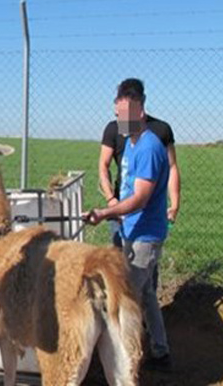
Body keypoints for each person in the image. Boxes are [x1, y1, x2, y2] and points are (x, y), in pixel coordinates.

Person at [86, 90, 172, 372]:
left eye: (125, 115)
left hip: (144, 235)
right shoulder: (133, 143)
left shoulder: (148, 147)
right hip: (132, 229)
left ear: (140, 112)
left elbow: (140, 198)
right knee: (145, 294)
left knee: (125, 302)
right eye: (117, 115)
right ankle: (160, 351)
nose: (119, 121)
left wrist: (106, 212)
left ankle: (126, 365)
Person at [99, 78, 181, 250]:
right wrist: (111, 200)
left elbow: (172, 167)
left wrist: (174, 204)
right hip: (120, 207)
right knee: (119, 259)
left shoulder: (160, 130)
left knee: (142, 263)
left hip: (147, 214)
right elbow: (103, 166)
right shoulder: (114, 130)